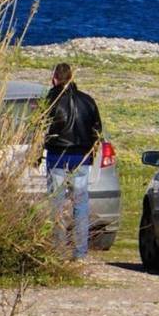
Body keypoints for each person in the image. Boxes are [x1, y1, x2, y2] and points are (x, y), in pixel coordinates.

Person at [44, 62, 102, 260]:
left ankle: (58, 249)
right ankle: (80, 252)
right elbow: (97, 130)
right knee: (81, 202)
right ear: (71, 78)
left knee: (57, 203)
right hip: (81, 157)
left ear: (55, 79)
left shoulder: (51, 99)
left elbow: (41, 126)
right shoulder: (87, 101)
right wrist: (92, 151)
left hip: (57, 155)